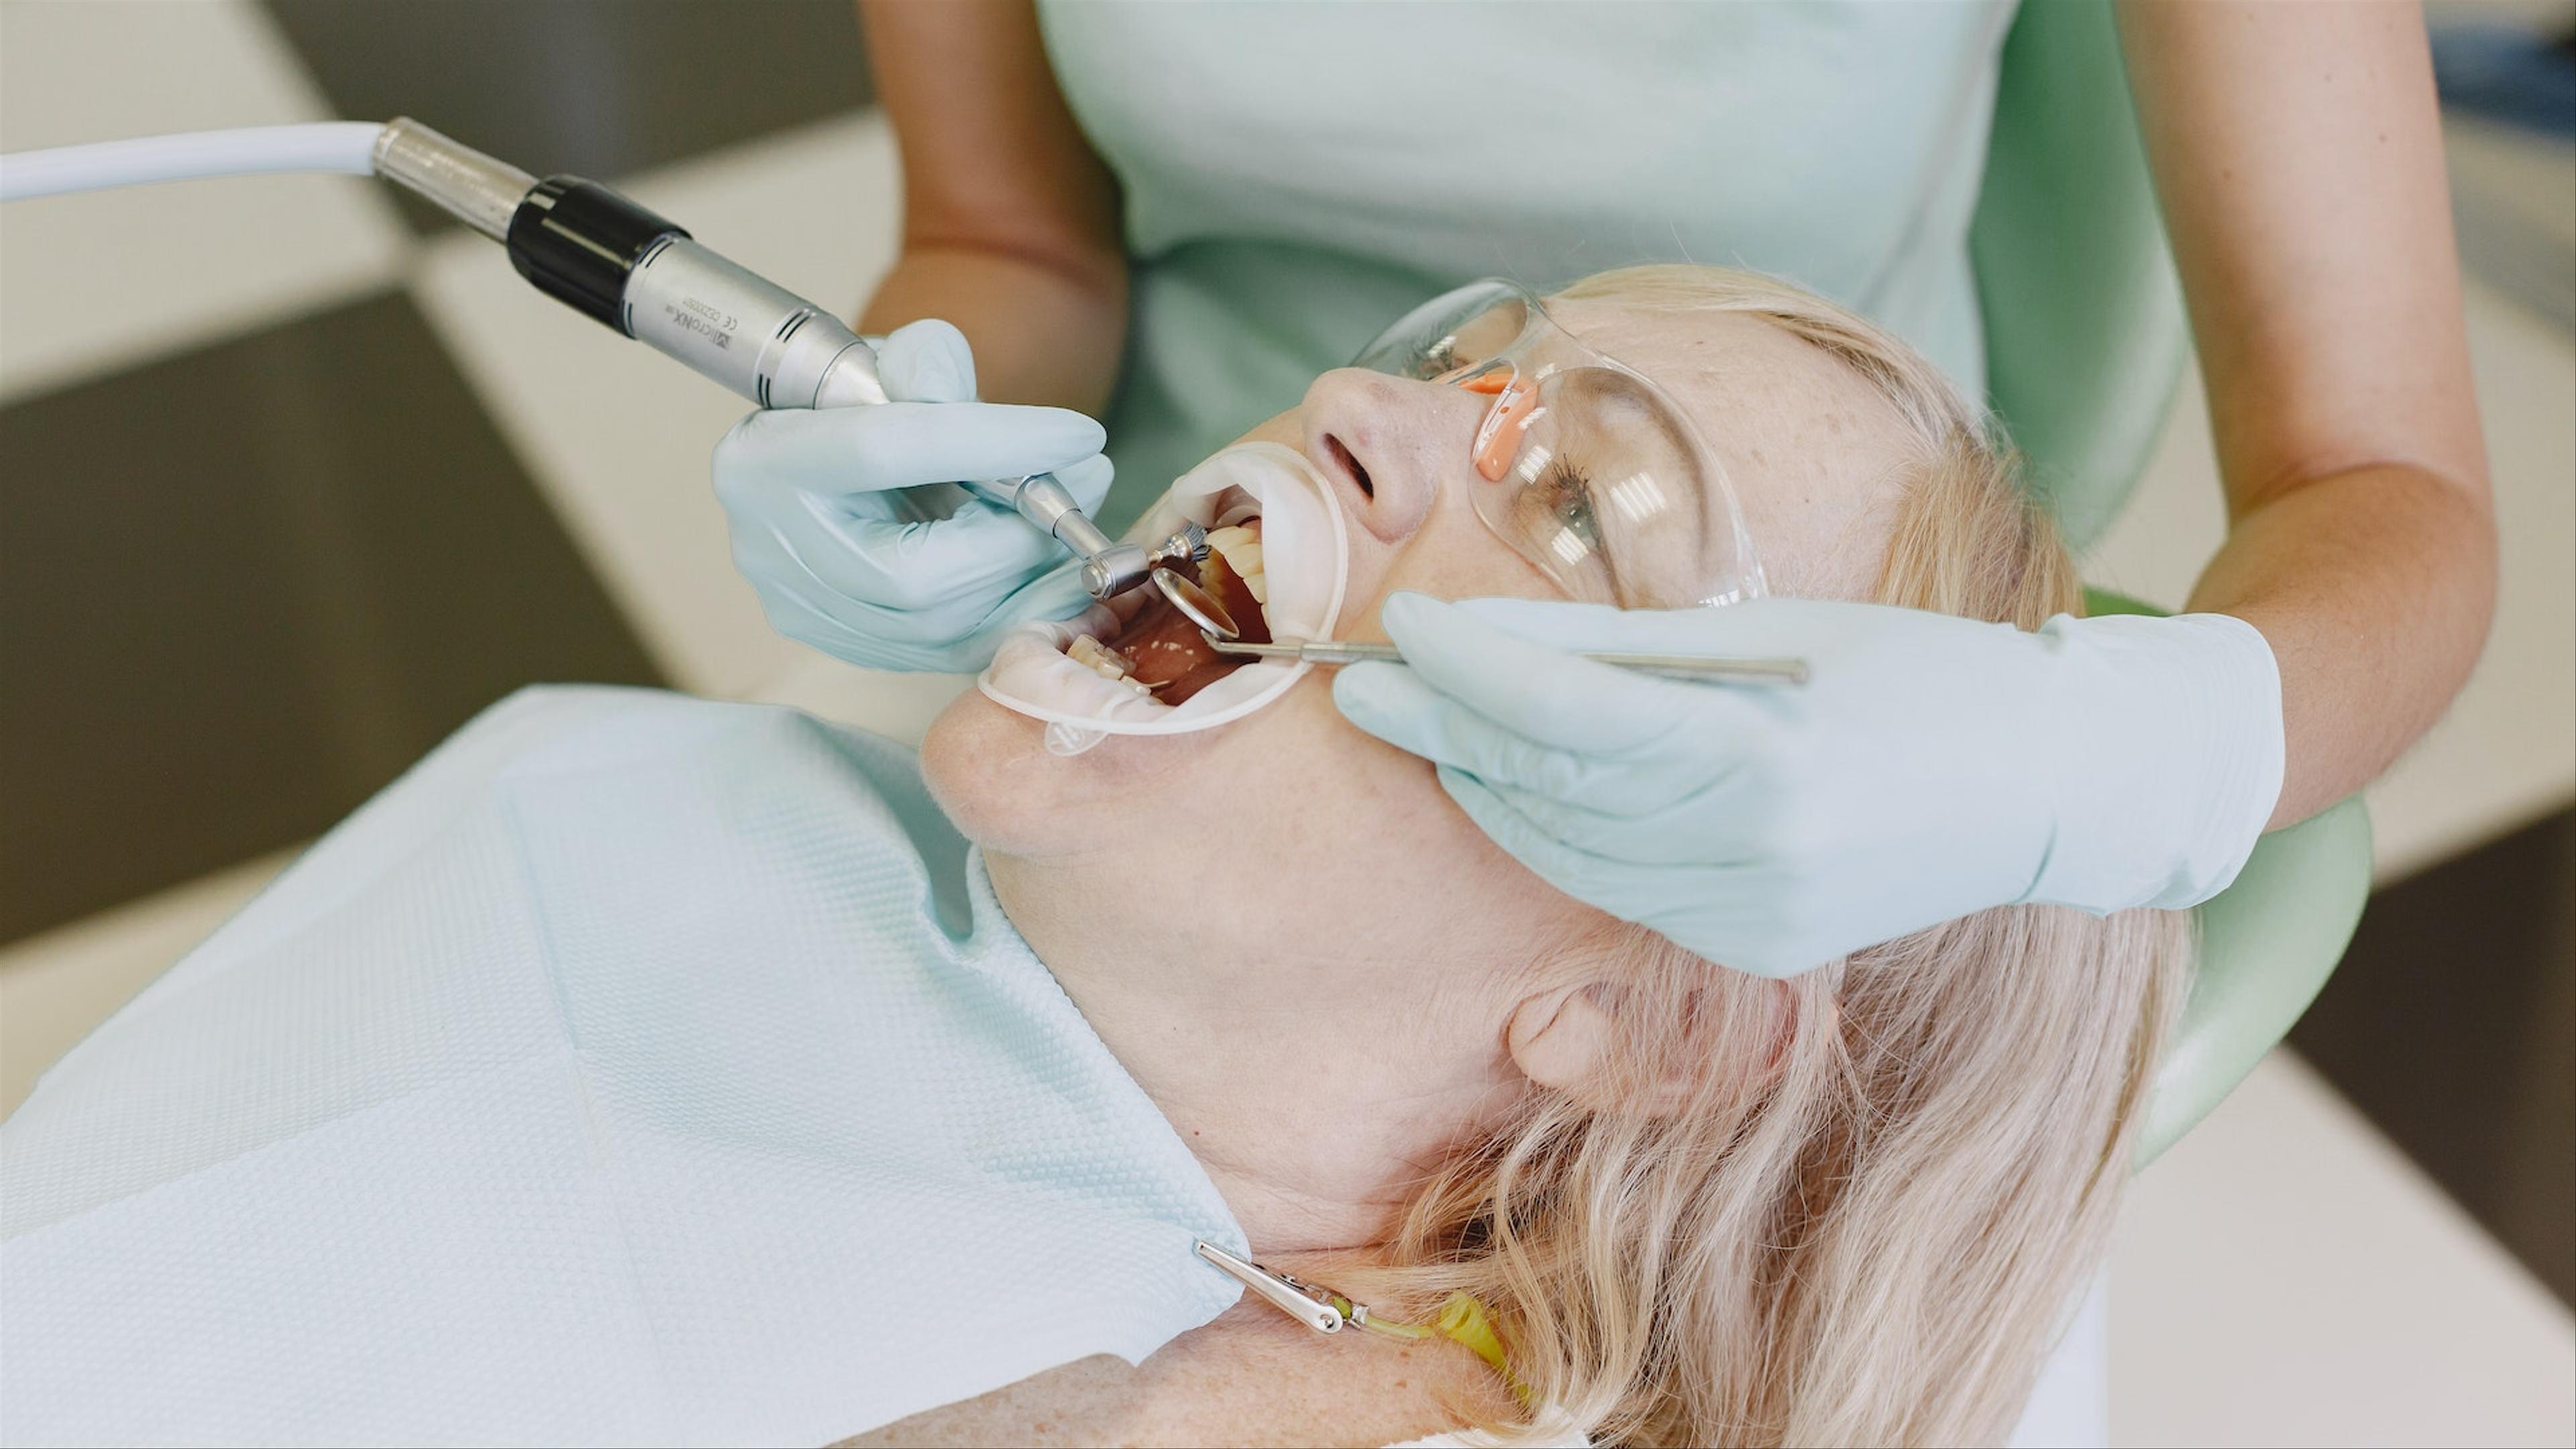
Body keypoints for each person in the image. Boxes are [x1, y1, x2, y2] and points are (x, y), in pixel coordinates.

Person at [9, 267, 2183, 1448]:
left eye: (1592, 511)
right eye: (1472, 359)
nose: (1361, 396)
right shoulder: (641, 801)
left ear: (1640, 1012)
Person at [712, 1, 2493, 980]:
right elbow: (1004, 231)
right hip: (1127, 553)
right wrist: (918, 434)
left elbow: (2382, 482)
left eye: (1581, 491)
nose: (1345, 401)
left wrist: (2101, 757)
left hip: (1740, 737)